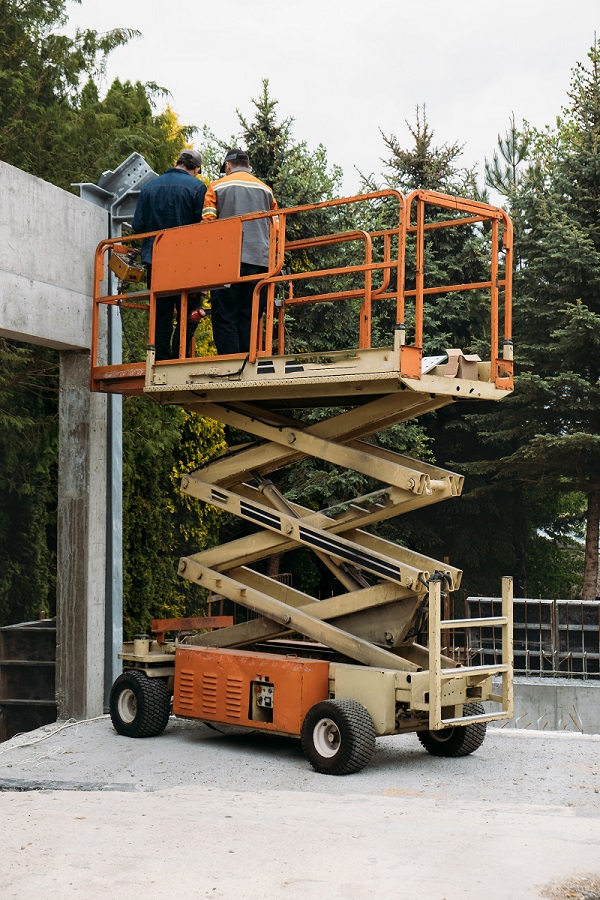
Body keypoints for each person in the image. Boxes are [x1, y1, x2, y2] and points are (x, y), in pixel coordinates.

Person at [132, 149, 206, 360]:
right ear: (196, 168)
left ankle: (161, 359)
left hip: (156, 262)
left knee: (161, 315)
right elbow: (205, 227)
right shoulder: (197, 187)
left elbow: (138, 226)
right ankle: (179, 357)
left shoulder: (148, 188)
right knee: (189, 314)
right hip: (187, 264)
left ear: (177, 162)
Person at [202, 148, 278, 355]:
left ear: (227, 165)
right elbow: (276, 227)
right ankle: (247, 362)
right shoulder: (266, 190)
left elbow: (207, 225)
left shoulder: (217, 187)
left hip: (226, 263)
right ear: (248, 166)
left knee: (225, 315)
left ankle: (229, 365)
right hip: (260, 262)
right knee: (250, 315)